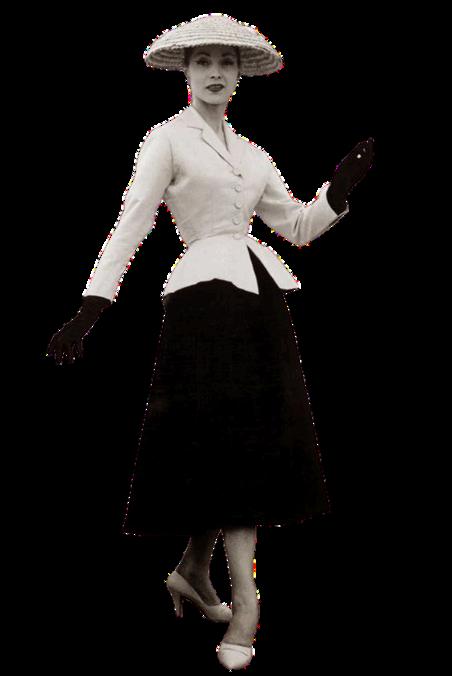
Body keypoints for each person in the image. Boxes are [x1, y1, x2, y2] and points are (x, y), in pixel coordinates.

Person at [45, 13, 374, 670]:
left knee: (238, 445)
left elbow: (296, 225)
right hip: (202, 300)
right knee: (225, 443)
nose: (217, 72)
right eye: (203, 61)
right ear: (186, 72)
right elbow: (131, 224)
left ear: (240, 74)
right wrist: (90, 309)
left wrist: (339, 189)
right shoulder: (166, 139)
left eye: (227, 61)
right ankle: (247, 602)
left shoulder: (252, 153)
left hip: (260, 298)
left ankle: (193, 572)